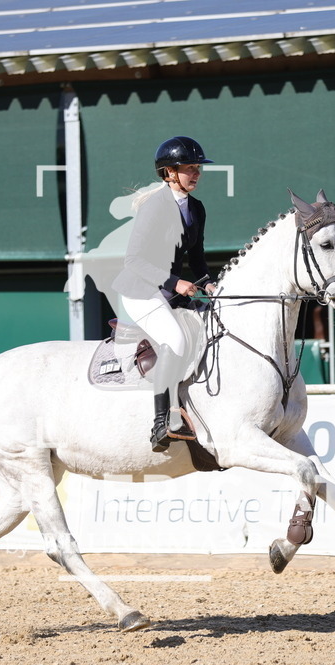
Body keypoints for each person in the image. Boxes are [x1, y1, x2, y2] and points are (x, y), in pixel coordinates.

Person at [111, 136, 218, 452]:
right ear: (170, 173)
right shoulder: (156, 206)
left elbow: (196, 257)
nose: (196, 174)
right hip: (140, 290)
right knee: (175, 339)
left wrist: (209, 283)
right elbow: (133, 260)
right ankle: (163, 423)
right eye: (189, 169)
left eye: (198, 168)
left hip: (168, 292)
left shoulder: (196, 208)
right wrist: (177, 283)